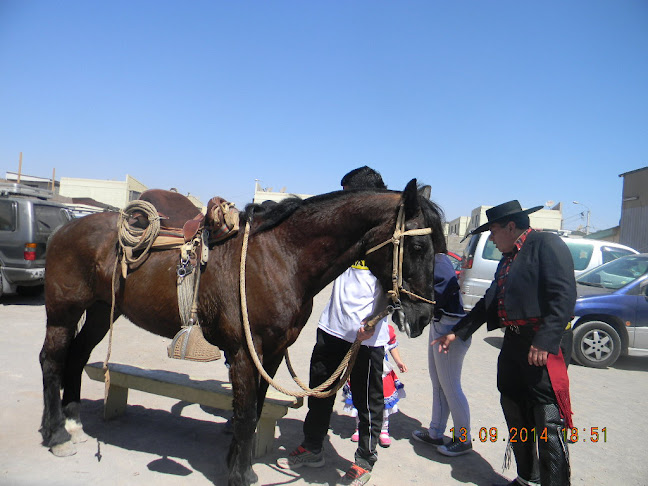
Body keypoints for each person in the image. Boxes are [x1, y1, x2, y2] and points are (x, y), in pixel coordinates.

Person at [434, 200, 576, 486]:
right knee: (514, 410)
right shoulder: (507, 258)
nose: (492, 239)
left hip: (541, 347)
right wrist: (458, 331)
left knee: (546, 419)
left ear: (511, 227)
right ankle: (528, 478)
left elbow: (563, 296)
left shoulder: (546, 245)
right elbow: (489, 302)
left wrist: (545, 340)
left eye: (494, 232)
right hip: (513, 344)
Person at [276, 166, 392, 486]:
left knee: (368, 401)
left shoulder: (384, 238)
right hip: (331, 328)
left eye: (346, 195)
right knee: (320, 393)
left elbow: (392, 288)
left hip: (366, 338)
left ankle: (364, 460)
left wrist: (375, 320)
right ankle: (314, 446)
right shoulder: (343, 235)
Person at [412, 252, 472, 456]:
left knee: (451, 386)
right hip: (440, 323)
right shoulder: (432, 257)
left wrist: (421, 299)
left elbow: (446, 283)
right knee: (438, 383)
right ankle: (435, 432)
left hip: (449, 325)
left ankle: (463, 439)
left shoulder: (438, 258)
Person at [343, 323, 408, 448]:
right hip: (360, 369)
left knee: (382, 402)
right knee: (360, 399)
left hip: (382, 371)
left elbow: (392, 346)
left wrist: (399, 362)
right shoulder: (358, 329)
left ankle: (383, 429)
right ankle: (360, 427)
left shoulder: (386, 329)